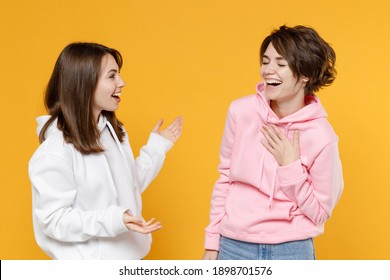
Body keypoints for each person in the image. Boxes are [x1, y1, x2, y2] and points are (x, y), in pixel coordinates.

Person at [28, 42, 183, 259]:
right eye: (112, 76)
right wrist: (114, 219)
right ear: (85, 83)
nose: (122, 82)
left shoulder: (112, 131)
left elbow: (128, 186)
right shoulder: (55, 152)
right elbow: (53, 220)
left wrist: (157, 148)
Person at [203, 25, 343, 260]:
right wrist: (212, 241)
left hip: (292, 249)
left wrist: (290, 167)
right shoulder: (241, 111)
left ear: (305, 74)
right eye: (265, 61)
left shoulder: (322, 136)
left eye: (280, 64)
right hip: (233, 245)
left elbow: (320, 212)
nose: (268, 70)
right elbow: (225, 178)